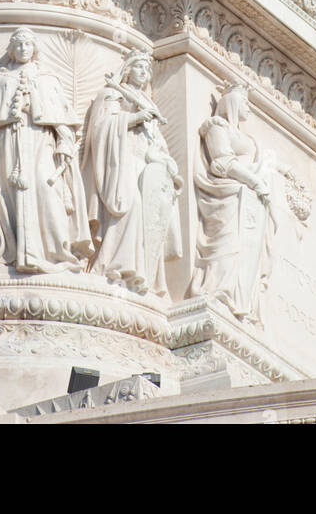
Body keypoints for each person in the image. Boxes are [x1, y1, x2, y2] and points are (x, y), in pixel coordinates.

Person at [0, 29, 92, 273]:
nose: (23, 49)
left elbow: (61, 120)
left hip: (40, 142)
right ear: (11, 50)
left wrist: (65, 141)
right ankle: (9, 251)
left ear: (34, 49)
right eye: (19, 45)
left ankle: (55, 252)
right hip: (4, 143)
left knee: (46, 189)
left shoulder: (47, 79)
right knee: (4, 195)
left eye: (27, 45)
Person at [82, 49, 182, 295]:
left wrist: (167, 163)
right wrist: (135, 117)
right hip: (122, 161)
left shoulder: (149, 103)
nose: (144, 73)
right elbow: (102, 127)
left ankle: (141, 273)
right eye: (138, 67)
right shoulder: (112, 93)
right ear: (127, 69)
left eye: (147, 69)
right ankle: (112, 265)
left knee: (150, 214)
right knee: (131, 205)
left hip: (145, 165)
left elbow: (156, 141)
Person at [189, 82, 276, 321]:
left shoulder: (246, 137)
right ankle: (219, 291)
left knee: (247, 249)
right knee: (229, 244)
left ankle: (240, 300)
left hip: (248, 197)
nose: (249, 107)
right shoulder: (218, 127)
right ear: (232, 103)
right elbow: (221, 163)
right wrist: (255, 182)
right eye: (244, 102)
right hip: (228, 194)